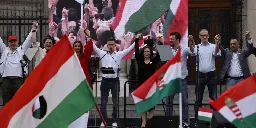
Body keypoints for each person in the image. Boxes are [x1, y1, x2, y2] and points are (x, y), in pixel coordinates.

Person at [93, 36, 135, 127]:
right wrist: (88, 36)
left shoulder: (119, 54)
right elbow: (94, 47)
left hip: (114, 81)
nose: (111, 46)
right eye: (109, 45)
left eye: (112, 44)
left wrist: (137, 41)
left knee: (115, 102)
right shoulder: (102, 53)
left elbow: (129, 49)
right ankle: (103, 121)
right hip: (105, 81)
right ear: (107, 46)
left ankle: (114, 120)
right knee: (103, 103)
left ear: (115, 45)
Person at [189, 29, 221, 126]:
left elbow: (216, 53)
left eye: (206, 35)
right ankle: (198, 121)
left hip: (211, 74)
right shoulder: (198, 47)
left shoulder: (212, 46)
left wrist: (217, 43)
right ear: (199, 36)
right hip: (200, 74)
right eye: (202, 35)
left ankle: (213, 121)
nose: (204, 37)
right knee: (198, 99)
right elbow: (192, 51)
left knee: (213, 98)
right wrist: (190, 42)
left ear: (208, 36)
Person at [0, 22, 38, 105]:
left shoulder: (21, 50)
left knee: (19, 103)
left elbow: (29, 39)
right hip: (6, 81)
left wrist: (34, 29)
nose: (13, 43)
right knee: (6, 104)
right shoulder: (4, 50)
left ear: (17, 42)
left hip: (18, 80)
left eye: (14, 41)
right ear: (8, 43)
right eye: (11, 42)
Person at [164, 32, 193, 128]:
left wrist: (191, 42)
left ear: (177, 40)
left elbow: (192, 52)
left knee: (184, 101)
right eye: (170, 38)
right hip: (171, 79)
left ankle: (185, 121)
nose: (170, 40)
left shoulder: (184, 49)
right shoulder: (167, 50)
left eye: (172, 39)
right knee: (169, 102)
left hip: (182, 79)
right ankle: (168, 120)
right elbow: (164, 63)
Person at [135, 34, 160, 128]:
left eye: (148, 51)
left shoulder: (153, 61)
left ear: (150, 52)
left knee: (151, 106)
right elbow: (137, 51)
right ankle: (144, 123)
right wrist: (137, 40)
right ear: (143, 52)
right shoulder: (140, 61)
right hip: (142, 86)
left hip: (151, 87)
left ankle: (151, 122)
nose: (146, 53)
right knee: (143, 106)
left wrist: (160, 43)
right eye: (145, 51)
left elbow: (160, 55)